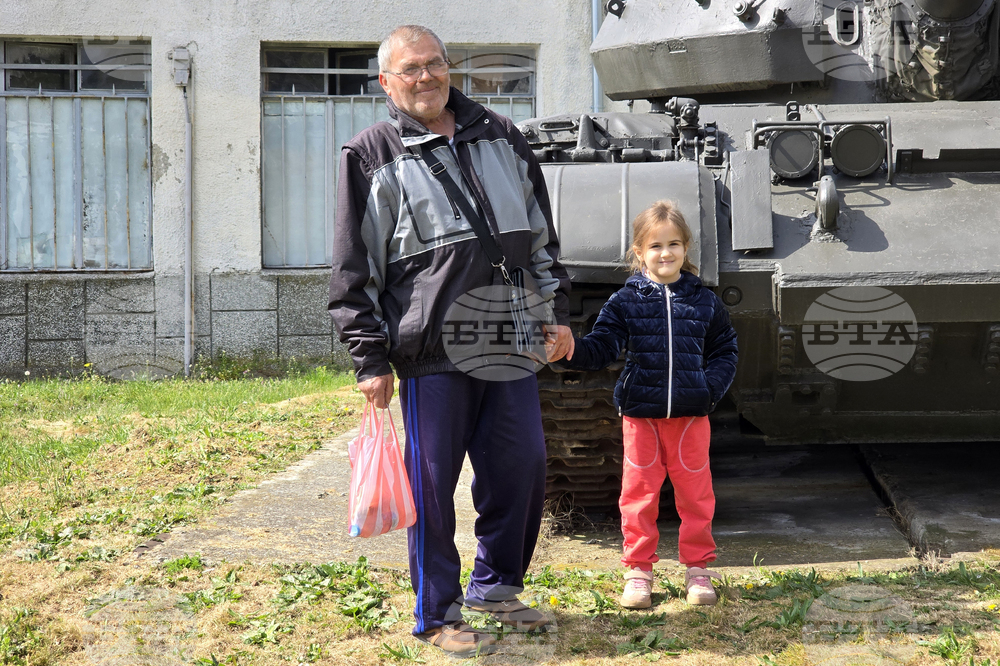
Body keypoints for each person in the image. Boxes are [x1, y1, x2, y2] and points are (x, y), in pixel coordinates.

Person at [328, 25, 573, 657]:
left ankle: (496, 586)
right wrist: (368, 357)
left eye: (434, 64)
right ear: (386, 82)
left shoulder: (500, 133)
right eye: (410, 69)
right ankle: (437, 612)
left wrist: (556, 311)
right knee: (433, 488)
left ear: (449, 67)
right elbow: (354, 268)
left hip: (512, 338)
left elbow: (541, 235)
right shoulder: (369, 154)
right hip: (432, 351)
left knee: (522, 470)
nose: (426, 77)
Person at [560, 200, 738, 609]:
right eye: (655, 245)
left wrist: (709, 389)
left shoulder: (703, 301)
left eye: (674, 244)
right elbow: (603, 346)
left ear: (686, 248)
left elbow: (725, 348)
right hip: (641, 415)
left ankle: (698, 568)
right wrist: (572, 350)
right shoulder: (626, 301)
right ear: (639, 252)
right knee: (639, 495)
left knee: (696, 495)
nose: (666, 253)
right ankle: (638, 570)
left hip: (691, 417)